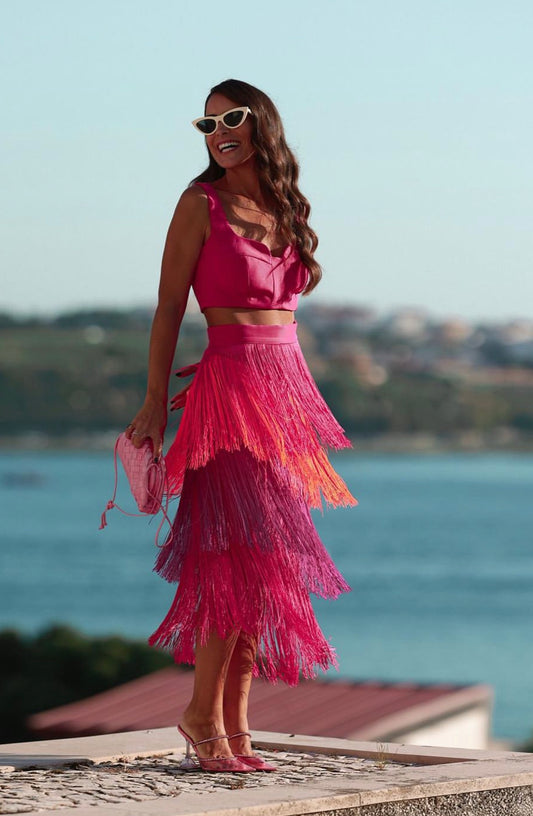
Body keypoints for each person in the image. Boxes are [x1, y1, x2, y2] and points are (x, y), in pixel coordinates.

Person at [125, 78, 358, 773]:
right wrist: (152, 401)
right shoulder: (199, 203)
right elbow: (169, 307)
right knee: (236, 553)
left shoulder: (285, 207)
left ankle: (236, 726)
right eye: (207, 124)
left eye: (230, 118)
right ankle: (201, 715)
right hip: (228, 399)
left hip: (282, 395)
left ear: (262, 123)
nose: (218, 132)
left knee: (269, 559)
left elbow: (278, 322)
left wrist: (250, 364)